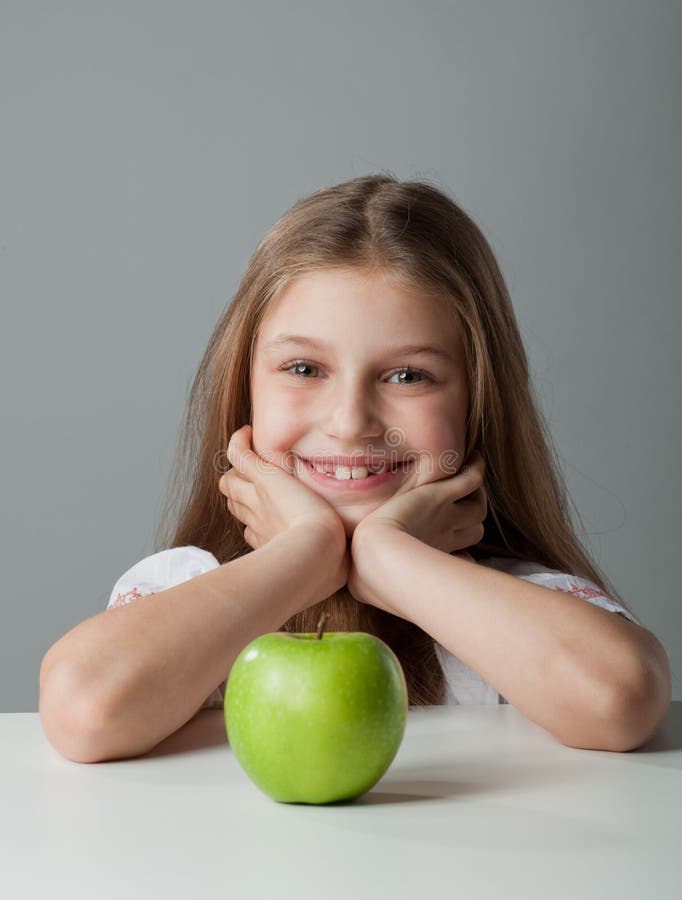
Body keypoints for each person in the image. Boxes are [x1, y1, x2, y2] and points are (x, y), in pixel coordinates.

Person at [40, 173, 671, 763]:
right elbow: (82, 708)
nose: (349, 422)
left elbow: (622, 699)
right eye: (304, 369)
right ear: (245, 390)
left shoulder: (521, 608)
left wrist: (389, 558)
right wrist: (306, 553)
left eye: (407, 375)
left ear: (479, 404)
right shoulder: (188, 593)